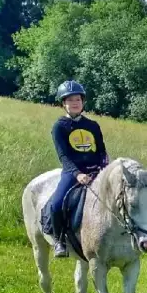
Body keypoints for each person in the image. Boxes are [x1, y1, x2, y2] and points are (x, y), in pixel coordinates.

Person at [49, 80, 109, 258]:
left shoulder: (93, 126)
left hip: (95, 171)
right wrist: (78, 174)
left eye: (78, 100)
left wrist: (105, 168)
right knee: (56, 204)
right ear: (63, 103)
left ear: (83, 102)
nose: (75, 103)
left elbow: (101, 151)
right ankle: (59, 240)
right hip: (73, 172)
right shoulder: (59, 127)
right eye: (70, 100)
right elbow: (63, 156)